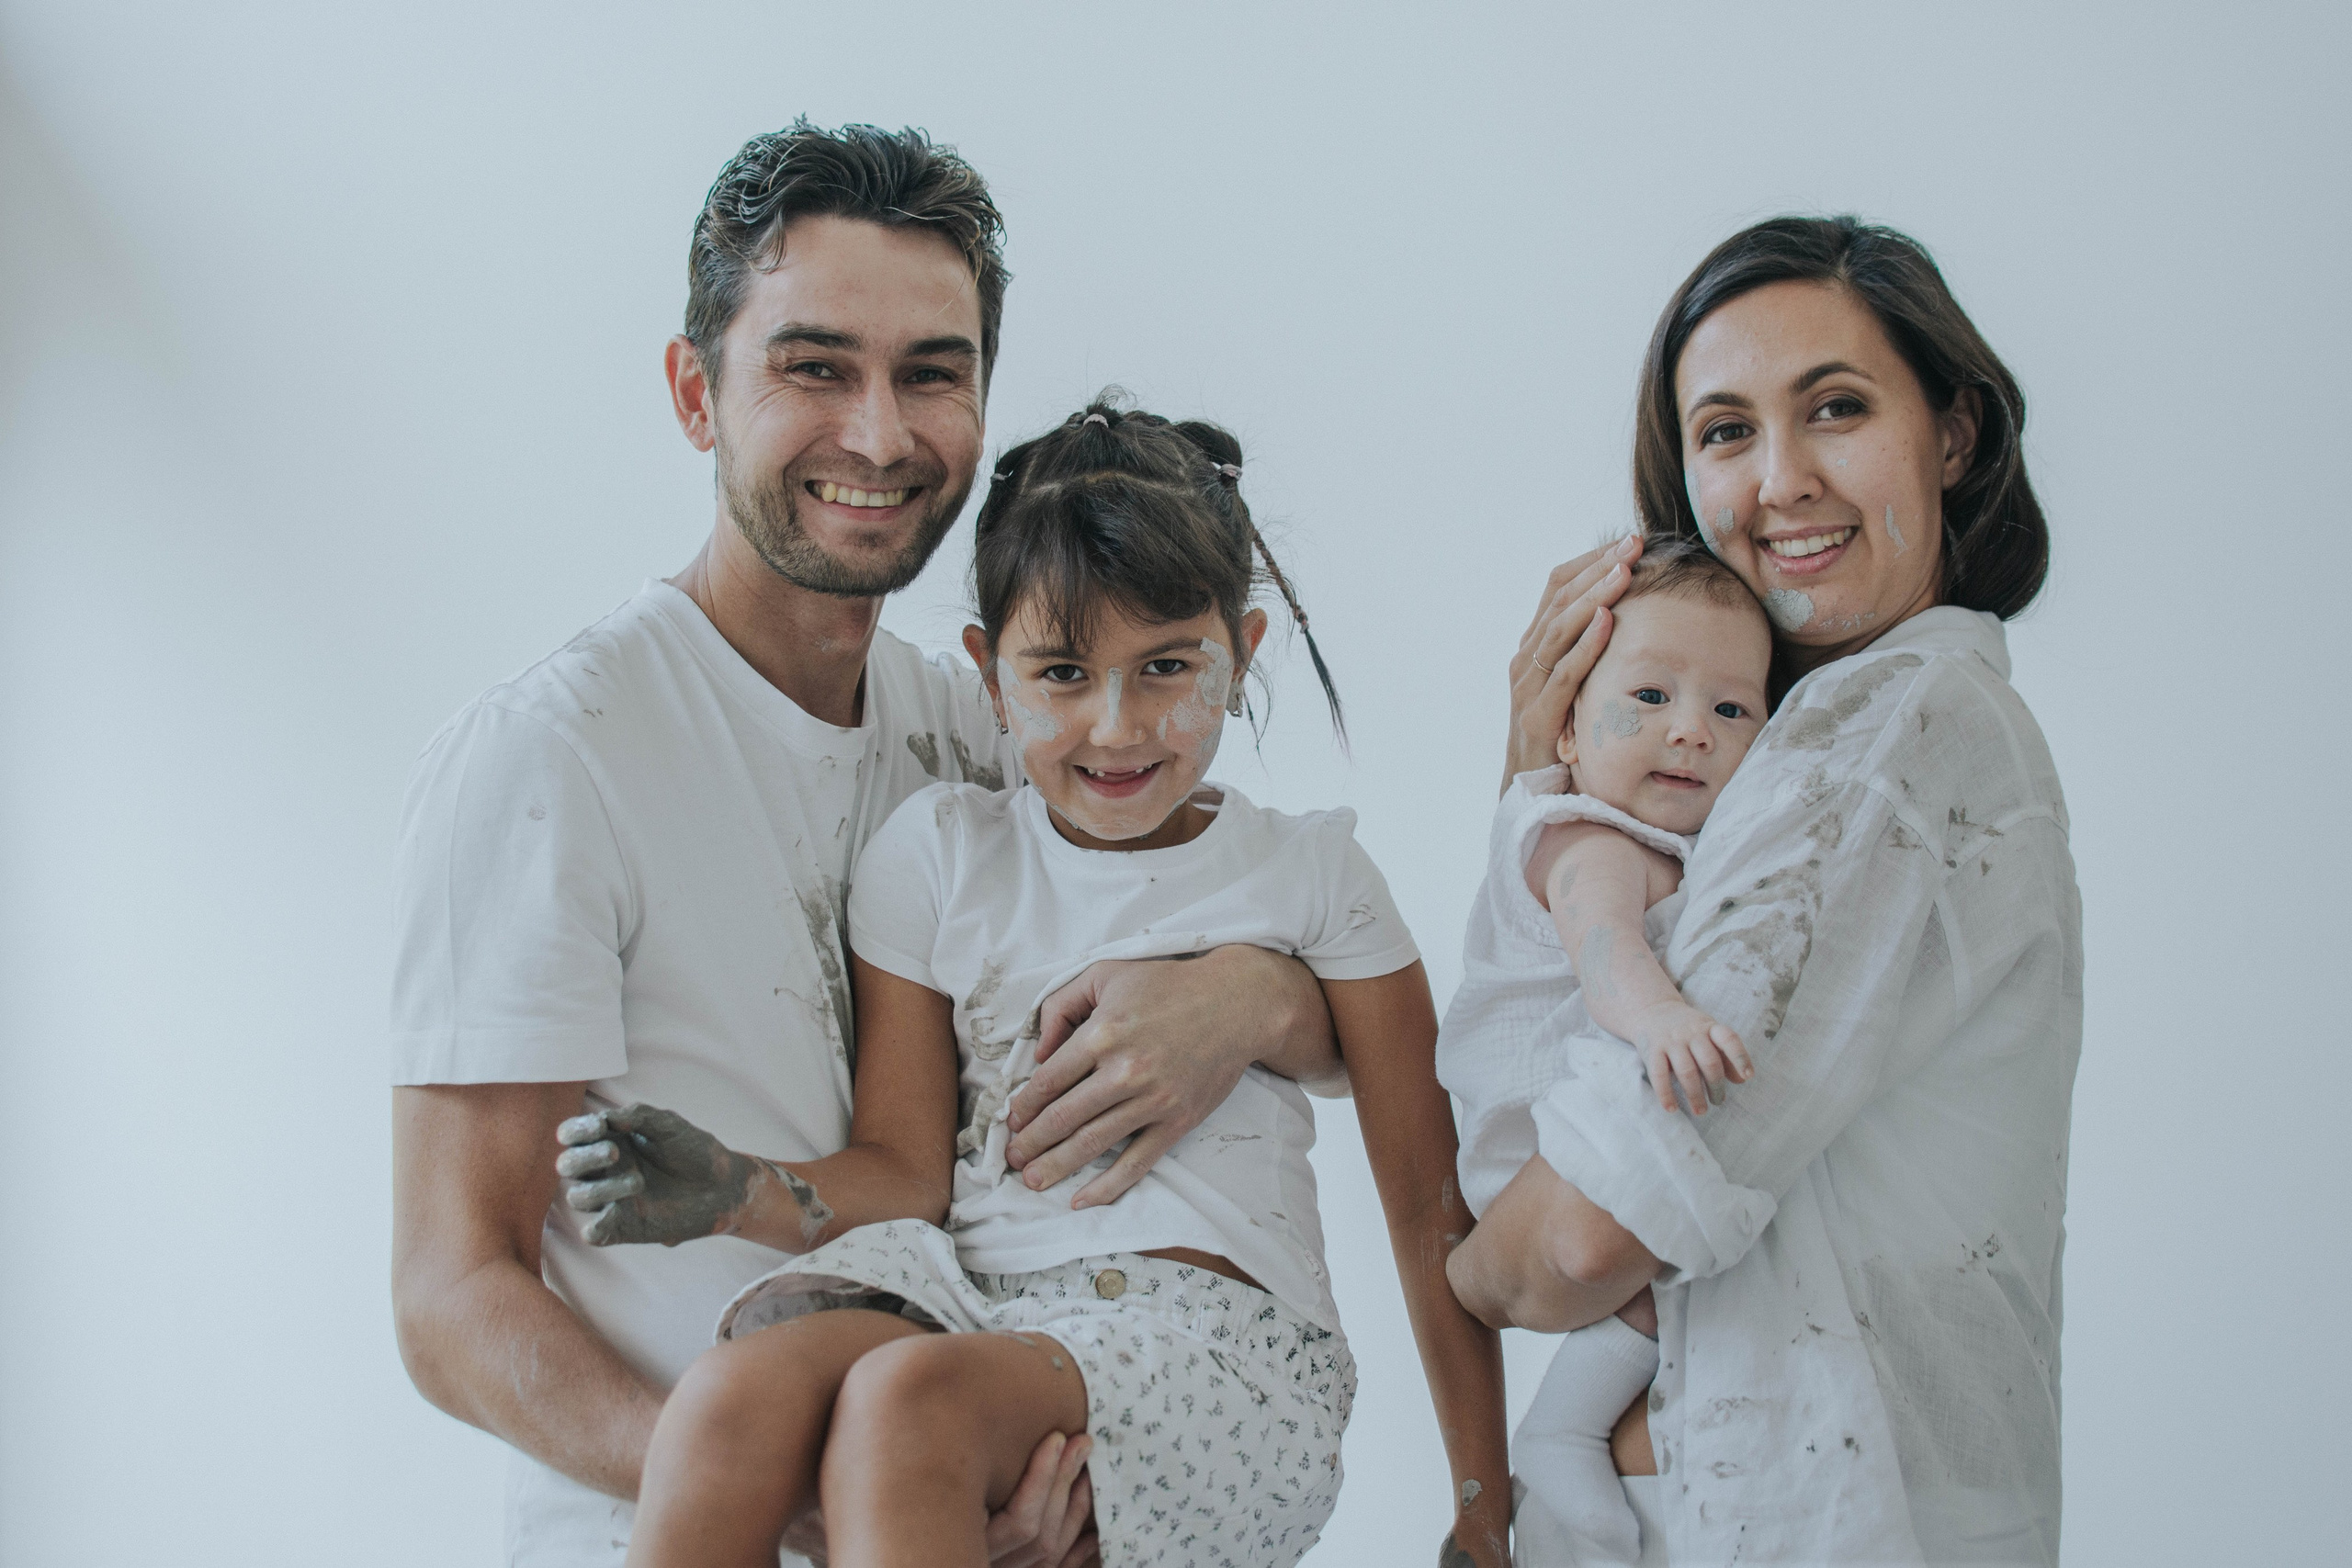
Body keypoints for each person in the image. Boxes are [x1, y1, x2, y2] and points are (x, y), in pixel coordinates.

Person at [388, 124, 1343, 1568]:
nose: (883, 434)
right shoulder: (556, 752)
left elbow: (1305, 939)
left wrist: (1256, 997)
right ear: (694, 390)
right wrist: (797, 1499)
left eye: (932, 373)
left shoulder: (977, 730)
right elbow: (452, 1292)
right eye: (815, 366)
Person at [555, 397, 1511, 1568]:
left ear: (1242, 652)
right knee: (727, 1397)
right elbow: (903, 1175)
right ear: (988, 672)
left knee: (910, 1403)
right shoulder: (938, 856)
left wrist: (1483, 1501)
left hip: (1221, 1356)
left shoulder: (1310, 874)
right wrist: (728, 1189)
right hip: (981, 1311)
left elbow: (1426, 1210)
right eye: (1060, 672)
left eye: (1168, 667)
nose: (1115, 727)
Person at [1448, 217, 2081, 1565]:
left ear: (1955, 436)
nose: (1781, 479)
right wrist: (1544, 784)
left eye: (1837, 408)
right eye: (1726, 430)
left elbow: (1574, 1239)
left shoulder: (1887, 742)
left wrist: (1463, 1271)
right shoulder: (1772, 757)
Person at [1437, 537, 1770, 1564]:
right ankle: (1563, 1429)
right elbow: (1605, 948)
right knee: (1669, 1254)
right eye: (1650, 696)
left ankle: (1575, 1427)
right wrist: (1661, 1016)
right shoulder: (1585, 837)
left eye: (1731, 710)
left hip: (1549, 1135)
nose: (1690, 731)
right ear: (1568, 729)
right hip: (1526, 1142)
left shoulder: (1659, 841)